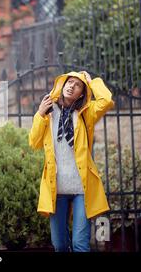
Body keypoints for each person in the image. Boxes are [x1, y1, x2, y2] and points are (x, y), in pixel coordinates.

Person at [28, 71, 114, 252]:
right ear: (62, 84)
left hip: (81, 189)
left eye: (77, 85)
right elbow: (34, 143)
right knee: (59, 245)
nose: (71, 86)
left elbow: (105, 101)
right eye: (69, 82)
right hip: (56, 189)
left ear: (82, 93)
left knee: (80, 244)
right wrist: (39, 114)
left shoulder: (85, 113)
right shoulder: (49, 112)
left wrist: (91, 82)